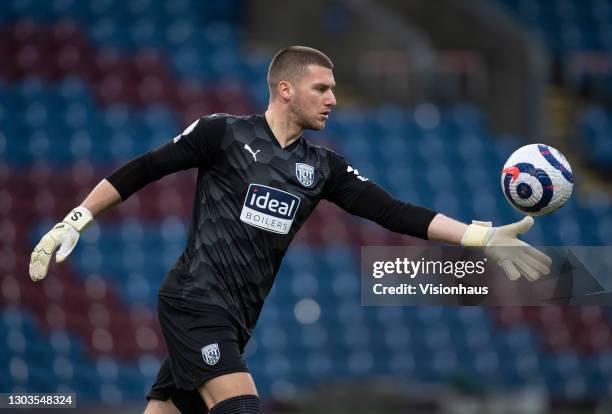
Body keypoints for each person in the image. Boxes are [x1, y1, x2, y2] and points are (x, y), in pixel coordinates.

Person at [29, 46, 551, 414]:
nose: (332, 99)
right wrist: (76, 218)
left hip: (236, 319)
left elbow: (393, 211)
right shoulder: (223, 134)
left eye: (334, 90)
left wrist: (479, 237)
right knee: (241, 408)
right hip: (195, 301)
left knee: (166, 409)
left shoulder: (323, 167)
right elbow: (144, 167)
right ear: (285, 89)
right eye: (321, 88)